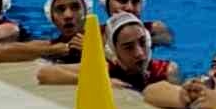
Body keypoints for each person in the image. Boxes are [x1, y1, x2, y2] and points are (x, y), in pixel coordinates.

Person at [37, 12, 178, 91]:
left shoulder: (166, 71)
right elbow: (45, 73)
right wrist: (100, 82)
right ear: (113, 52)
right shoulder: (106, 68)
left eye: (142, 43)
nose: (140, 53)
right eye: (128, 47)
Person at [0, 0, 91, 64]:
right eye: (60, 9)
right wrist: (50, 50)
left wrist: (93, 51)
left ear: (86, 11)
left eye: (75, 7)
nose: (68, 15)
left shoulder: (103, 37)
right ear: (51, 17)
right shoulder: (52, 45)